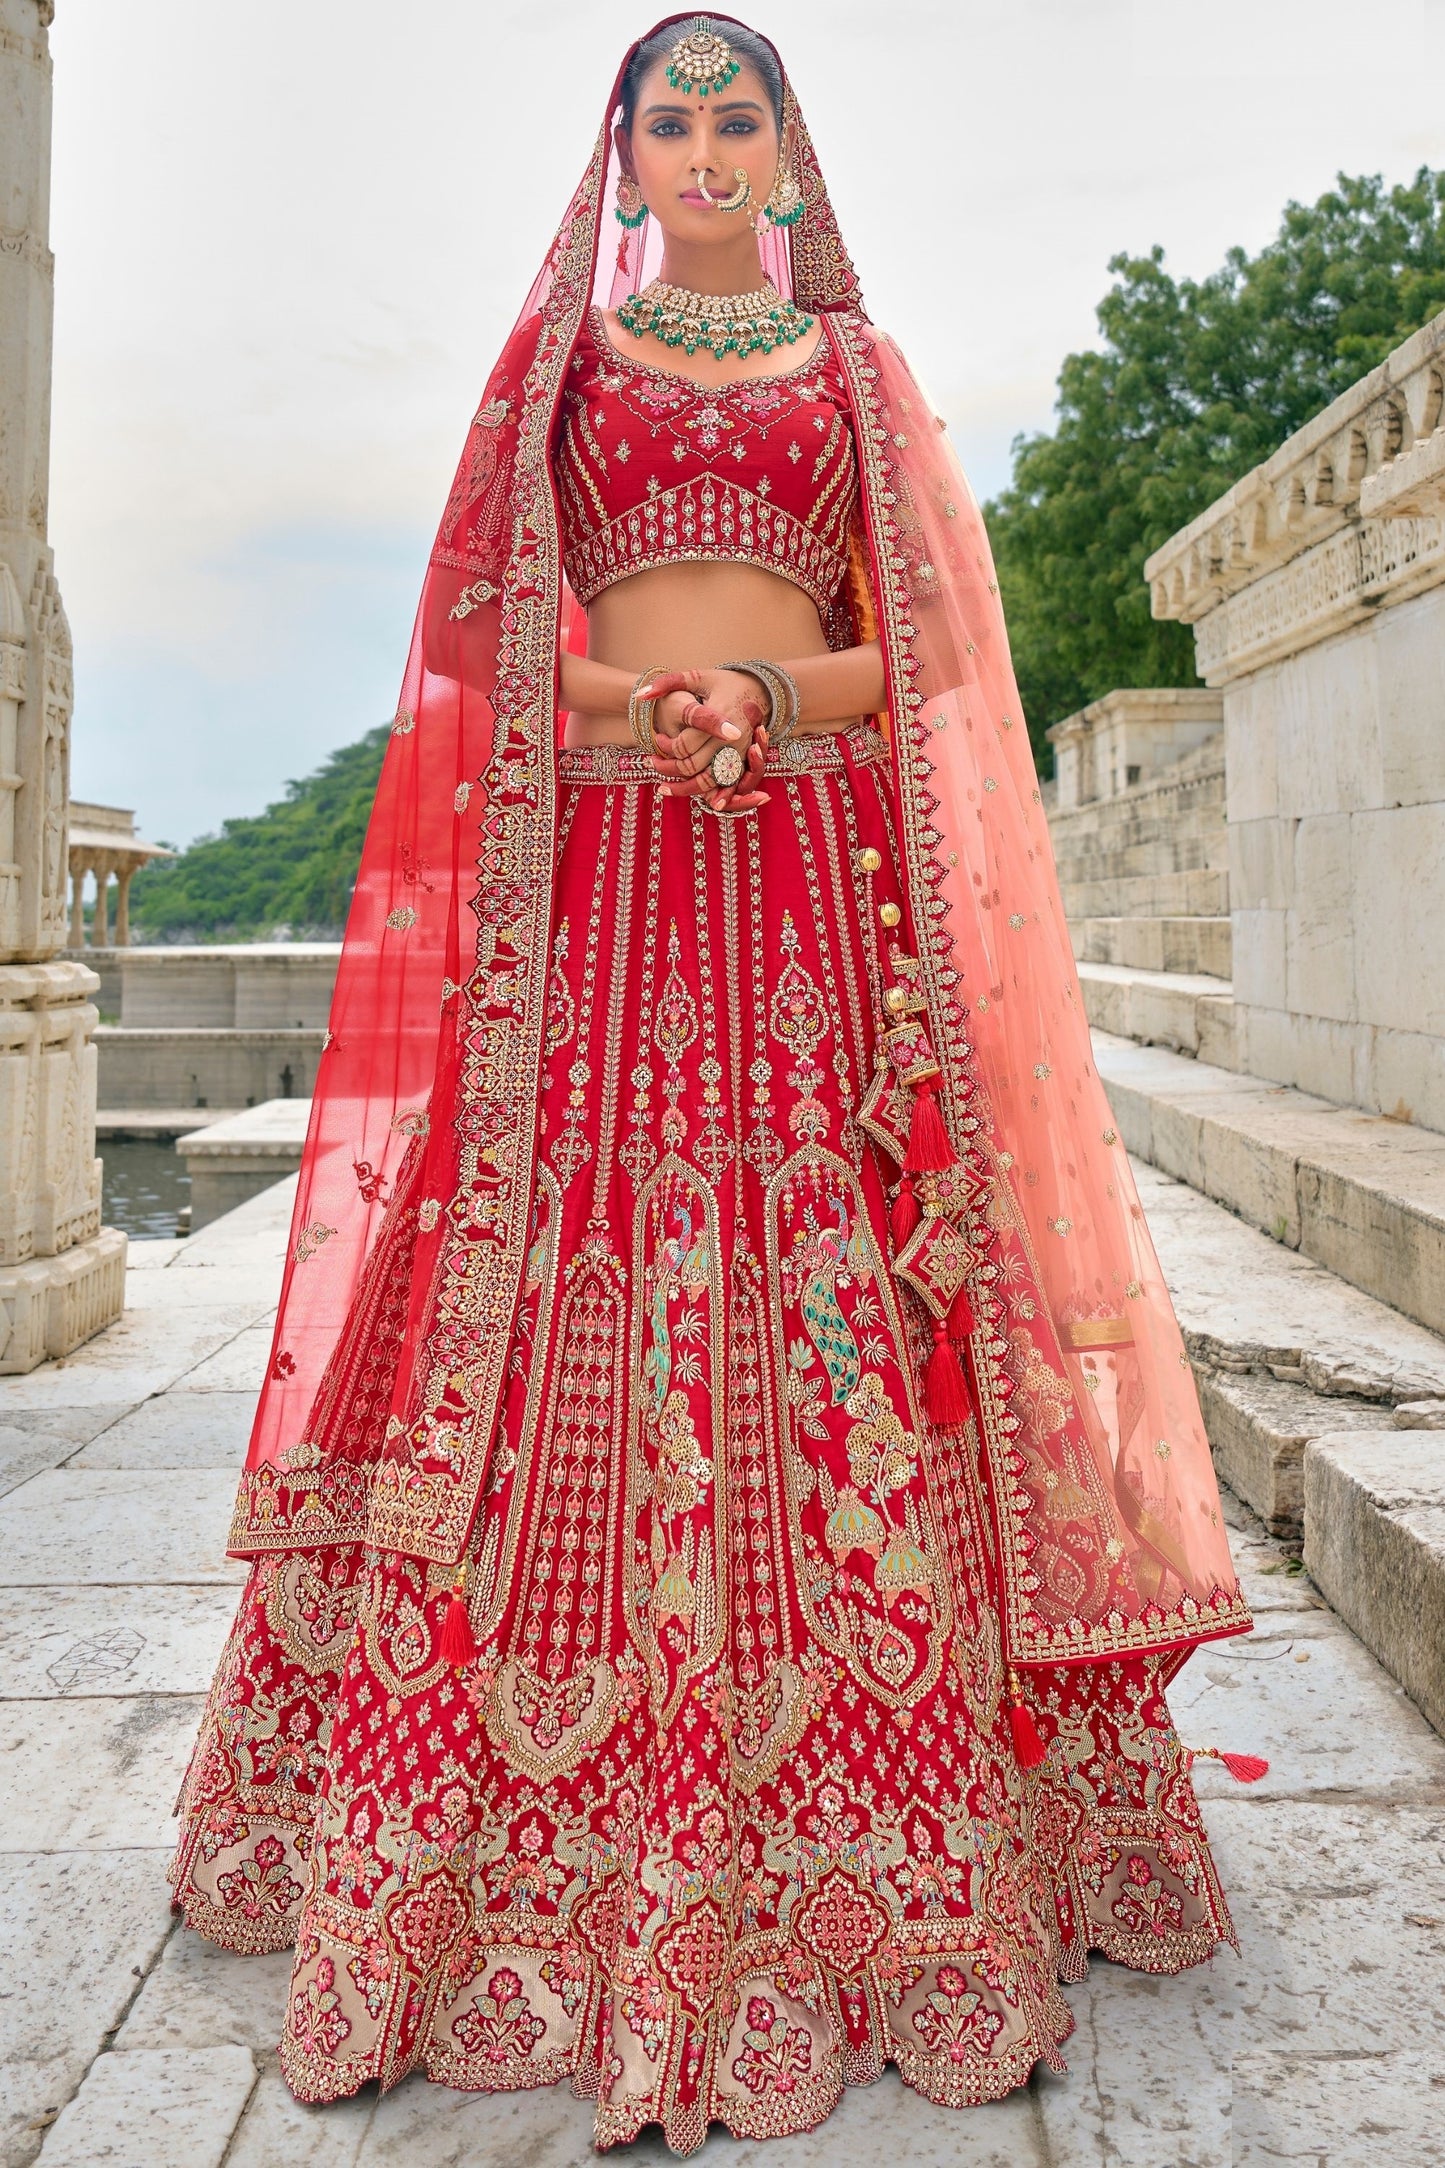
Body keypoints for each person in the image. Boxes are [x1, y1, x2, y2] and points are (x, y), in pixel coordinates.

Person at [170, 15, 1261, 2152]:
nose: (700, 143)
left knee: (848, 1299)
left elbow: (934, 648)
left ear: (787, 147)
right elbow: (482, 634)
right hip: (595, 892)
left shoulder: (855, 379)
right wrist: (640, 707)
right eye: (666, 116)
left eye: (734, 110)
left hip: (806, 891)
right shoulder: (559, 375)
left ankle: (915, 1878)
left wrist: (760, 691)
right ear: (624, 154)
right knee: (540, 1297)